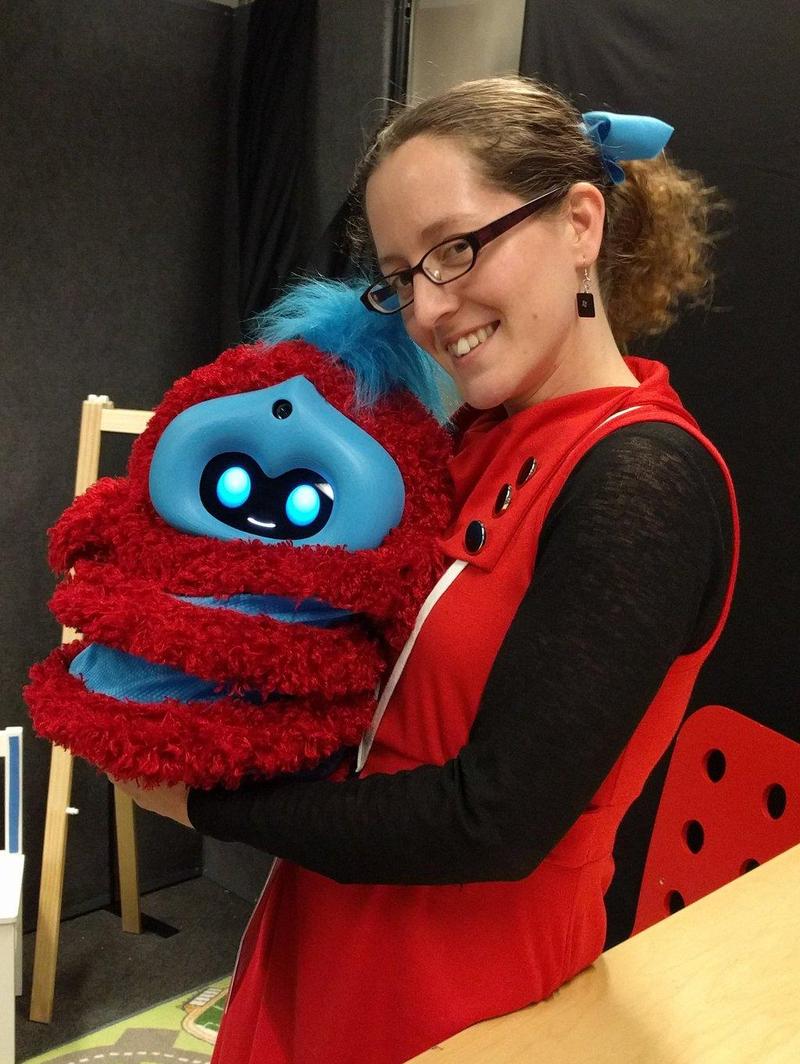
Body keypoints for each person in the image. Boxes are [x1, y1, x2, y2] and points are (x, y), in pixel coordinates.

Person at [116, 76, 739, 1063]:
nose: (428, 308)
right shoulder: (467, 438)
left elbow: (489, 818)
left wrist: (197, 804)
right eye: (402, 275)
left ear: (579, 220)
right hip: (324, 926)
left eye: (456, 249)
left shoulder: (641, 479)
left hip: (464, 995)